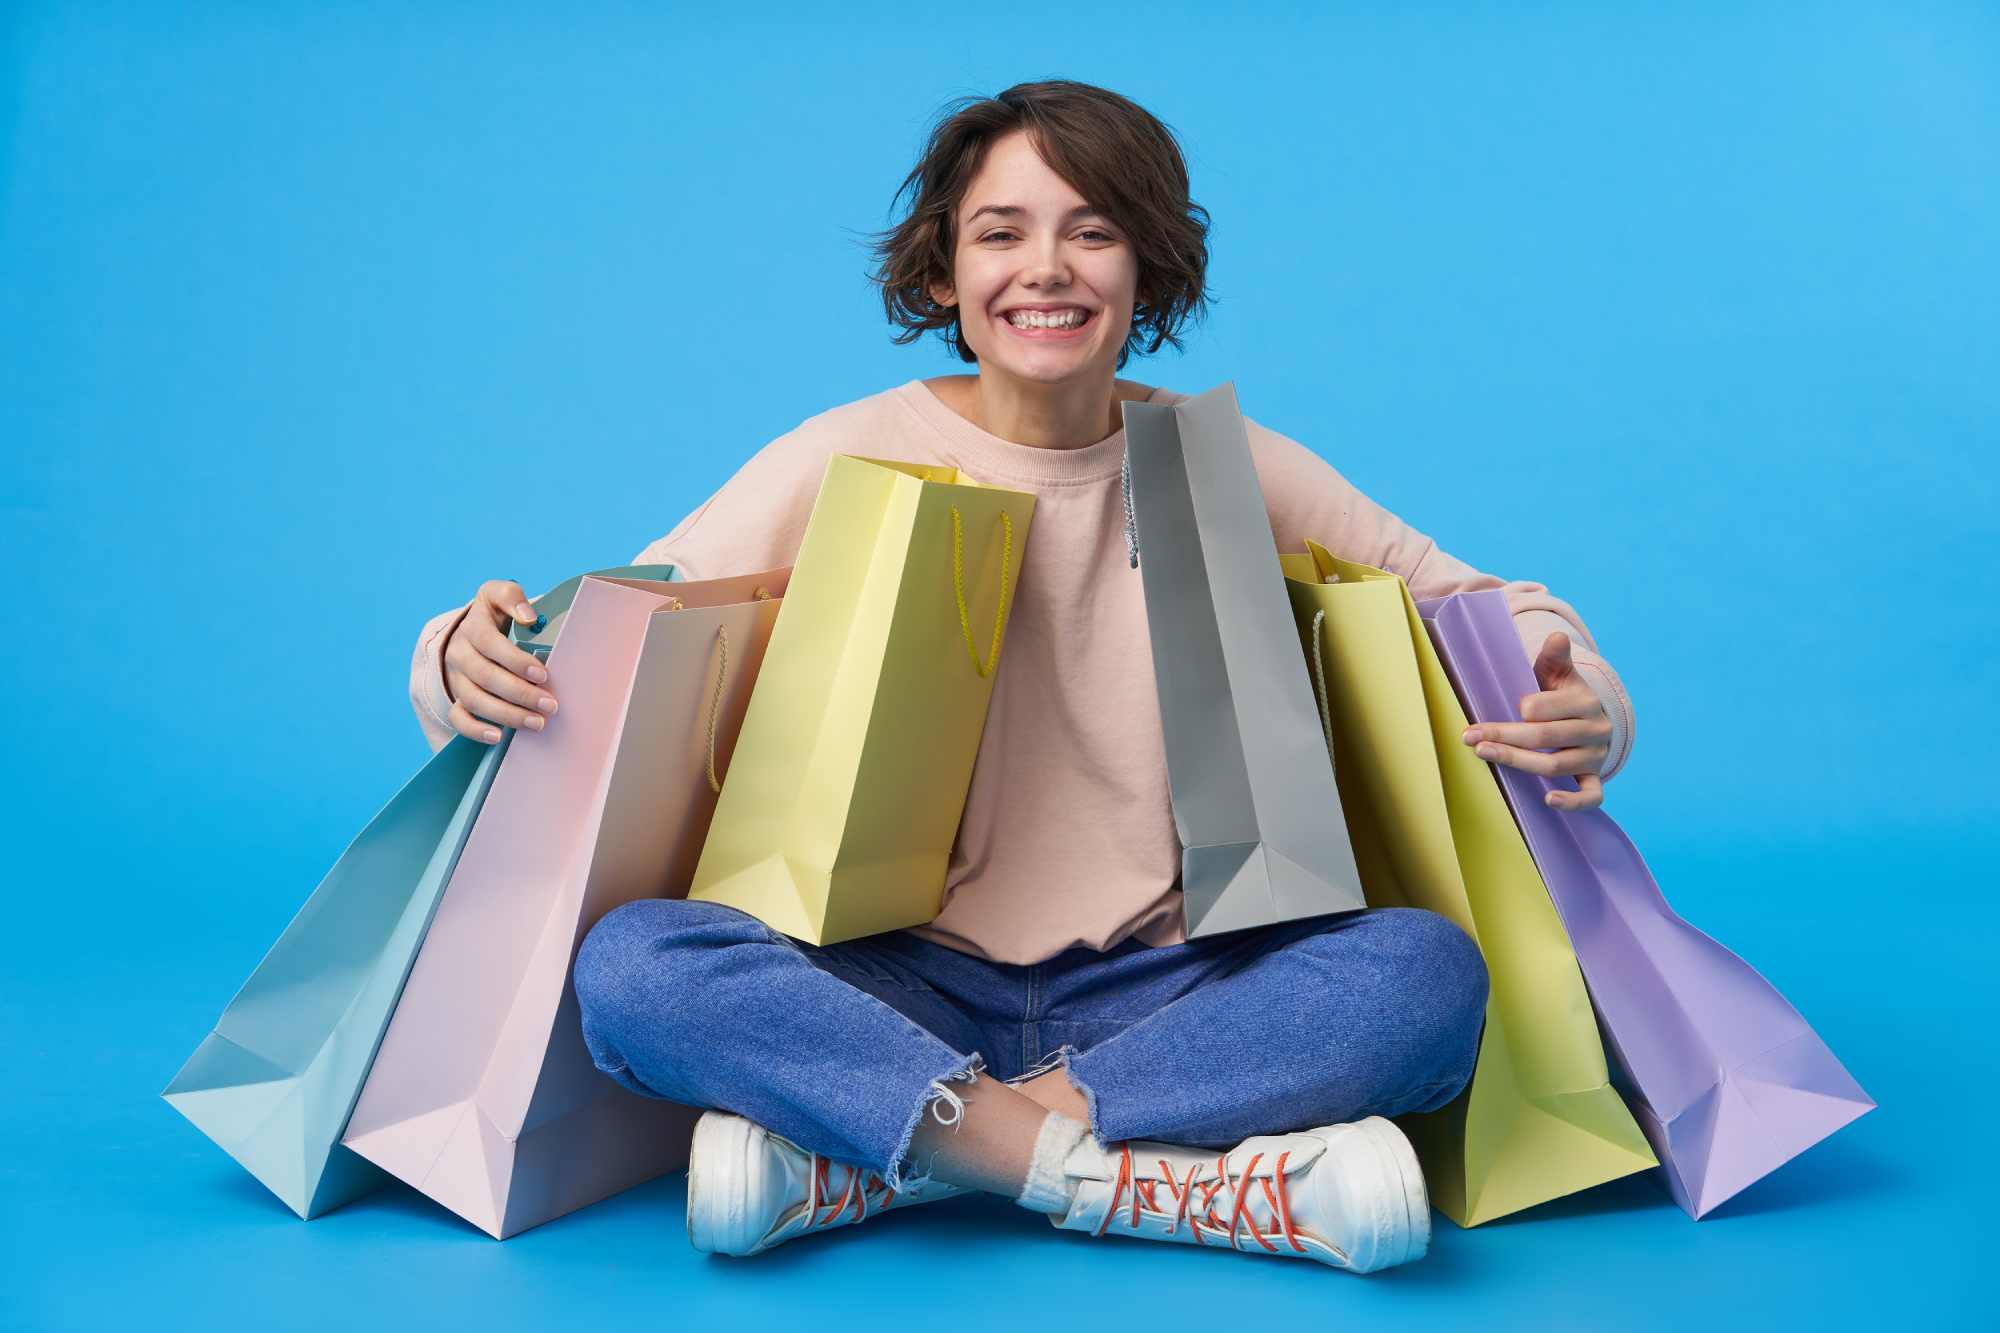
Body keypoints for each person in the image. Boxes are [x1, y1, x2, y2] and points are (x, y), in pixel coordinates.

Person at [405, 80, 1632, 1274]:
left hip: (1170, 991)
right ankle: (1164, 1187)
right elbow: (624, 619)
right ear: (943, 272)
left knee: (1423, 976)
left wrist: (1583, 694)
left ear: (1146, 268)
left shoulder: (1221, 461)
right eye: (1002, 232)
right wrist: (456, 648)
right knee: (635, 969)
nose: (1045, 267)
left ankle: (889, 1156)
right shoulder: (843, 450)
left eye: (1091, 231)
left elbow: (1471, 599)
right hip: (892, 976)